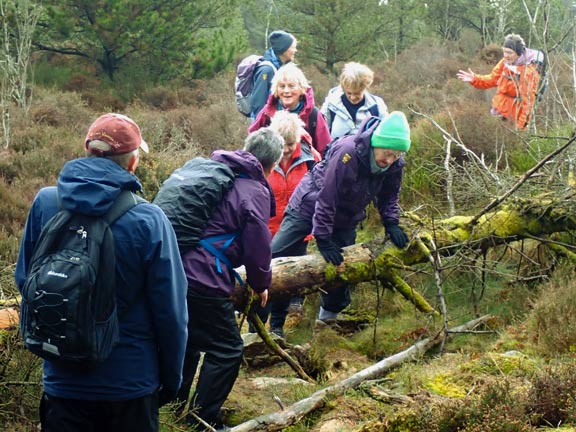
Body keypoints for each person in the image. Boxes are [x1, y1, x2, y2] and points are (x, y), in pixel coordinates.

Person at [14, 113, 189, 432]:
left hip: (62, 380)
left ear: (88, 151)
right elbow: (172, 315)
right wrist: (171, 380)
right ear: (133, 163)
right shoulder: (150, 220)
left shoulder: (45, 203)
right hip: (131, 385)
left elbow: (26, 281)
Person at [175, 128, 283, 430]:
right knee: (227, 349)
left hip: (173, 269)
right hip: (204, 279)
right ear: (272, 165)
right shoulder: (254, 190)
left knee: (188, 341)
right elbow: (259, 243)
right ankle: (201, 420)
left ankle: (172, 408)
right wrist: (261, 284)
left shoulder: (215, 173)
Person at [271, 111, 411, 327]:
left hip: (346, 216)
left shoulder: (394, 165)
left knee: (342, 267)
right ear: (376, 143)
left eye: (396, 155)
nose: (389, 160)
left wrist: (391, 223)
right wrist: (323, 239)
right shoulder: (348, 153)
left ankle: (327, 321)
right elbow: (328, 196)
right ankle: (273, 324)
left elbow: (389, 196)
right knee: (277, 256)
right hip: (308, 205)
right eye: (387, 153)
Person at [251, 111, 321, 338]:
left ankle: (277, 328)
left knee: (286, 281)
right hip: (265, 231)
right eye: (284, 144)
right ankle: (256, 329)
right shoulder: (260, 159)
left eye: (292, 143)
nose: (289, 149)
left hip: (297, 232)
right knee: (262, 279)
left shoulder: (311, 159)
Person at [457, 33, 542, 130]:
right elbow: (492, 79)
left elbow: (528, 105)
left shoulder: (528, 72)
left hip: (512, 121)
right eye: (504, 52)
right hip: (497, 113)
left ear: (519, 54)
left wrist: (519, 131)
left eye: (510, 53)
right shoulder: (505, 62)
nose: (506, 56)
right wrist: (475, 79)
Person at [249, 62, 332, 155]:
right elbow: (252, 144)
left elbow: (326, 150)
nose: (286, 91)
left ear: (302, 89)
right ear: (276, 89)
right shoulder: (266, 113)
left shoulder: (314, 115)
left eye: (291, 86)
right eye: (282, 86)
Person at [321, 62, 389, 139]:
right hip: (337, 149)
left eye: (357, 93)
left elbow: (386, 133)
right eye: (349, 93)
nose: (353, 97)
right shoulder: (330, 105)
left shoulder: (377, 106)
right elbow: (321, 133)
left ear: (365, 88)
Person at [250, 30, 297, 121]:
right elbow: (258, 103)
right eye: (292, 47)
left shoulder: (280, 68)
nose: (295, 51)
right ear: (283, 49)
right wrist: (260, 128)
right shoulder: (267, 70)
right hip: (264, 126)